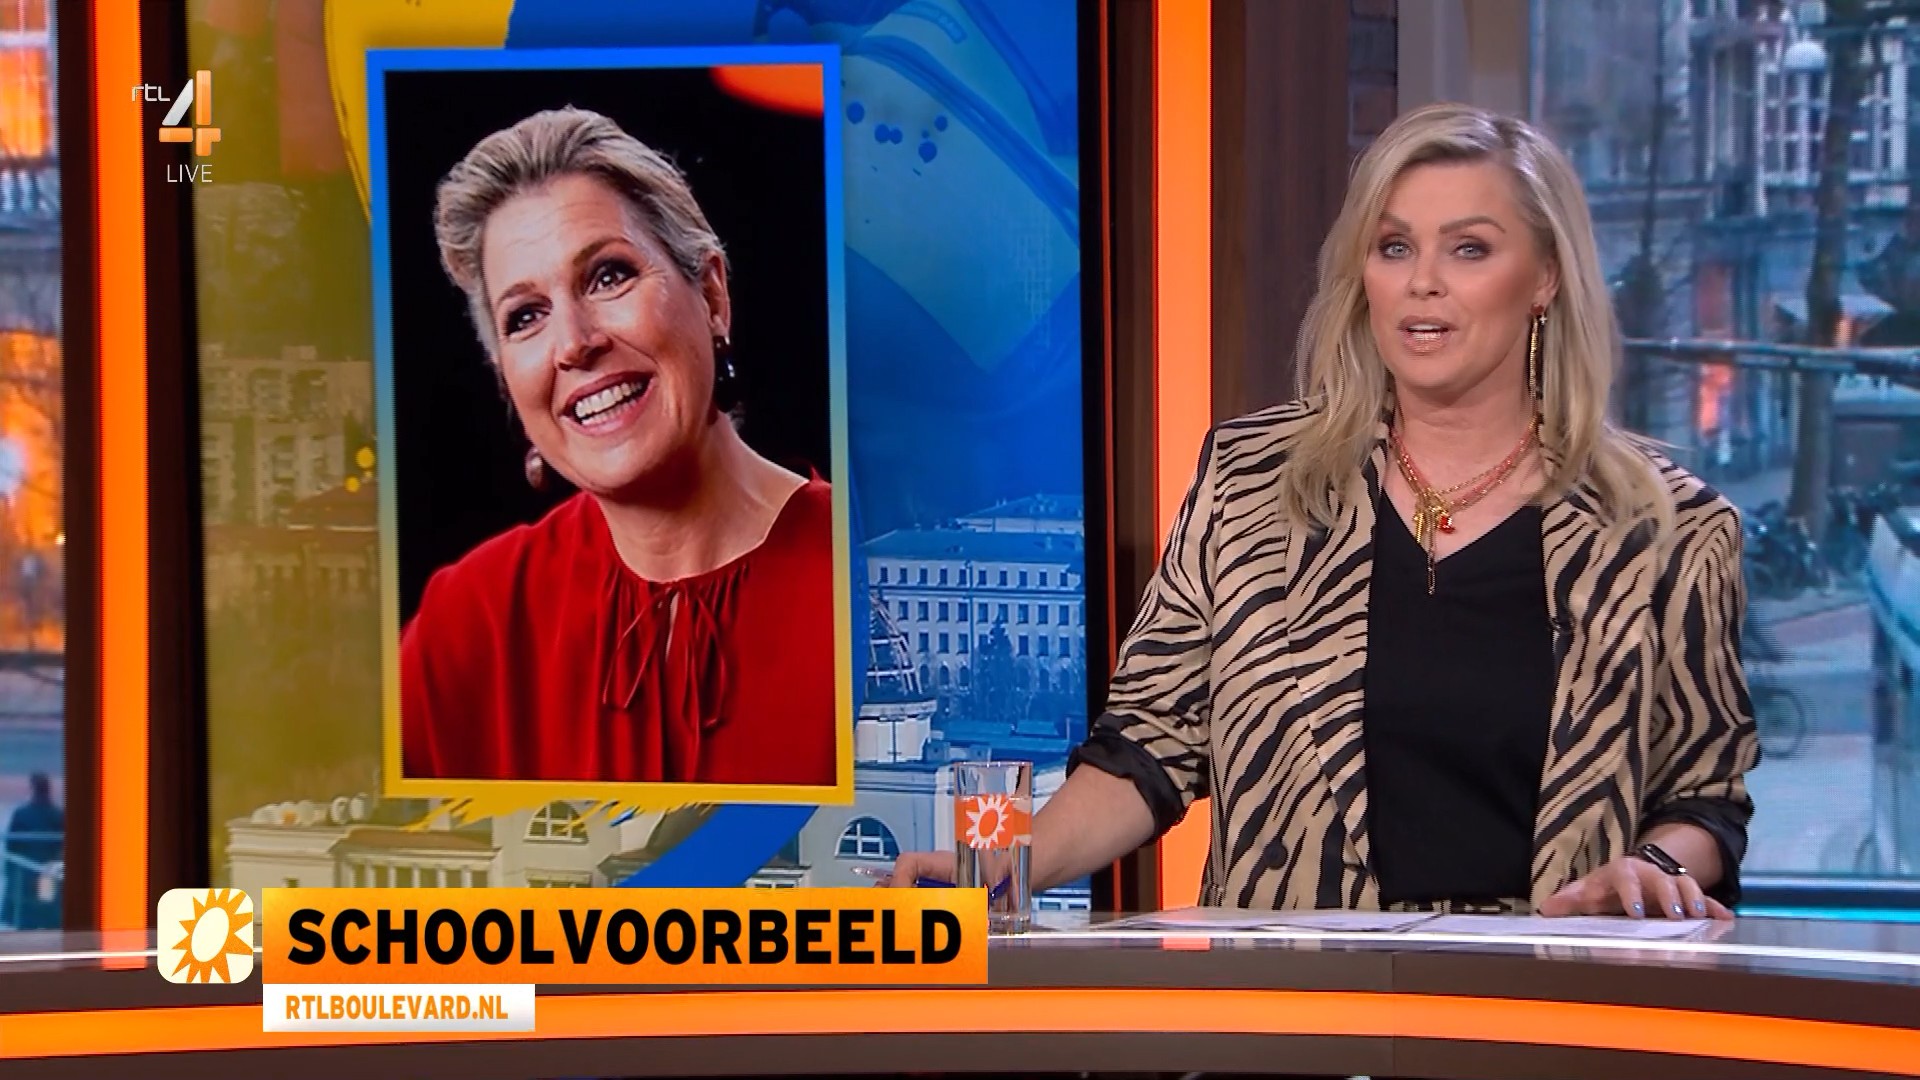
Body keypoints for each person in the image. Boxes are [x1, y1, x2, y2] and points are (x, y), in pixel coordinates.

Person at [887, 103, 1758, 918]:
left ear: (1546, 279)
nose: (1422, 283)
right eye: (1394, 247)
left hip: (1536, 999)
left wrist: (1655, 868)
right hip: (1298, 999)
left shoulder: (1667, 530)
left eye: (1468, 250)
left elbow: (1705, 794)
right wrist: (999, 864)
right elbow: (1150, 741)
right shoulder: (1252, 482)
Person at [400, 107, 837, 787]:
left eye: (608, 276)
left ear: (712, 294)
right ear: (506, 378)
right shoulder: (468, 624)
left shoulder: (868, 579)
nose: (574, 343)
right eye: (526, 316)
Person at [4, 773, 62, 930]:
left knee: (27, 909)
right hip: (49, 869)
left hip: (26, 869)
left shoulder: (22, 814)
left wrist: (9, 869)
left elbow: (12, 844)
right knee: (47, 904)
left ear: (32, 789)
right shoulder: (58, 814)